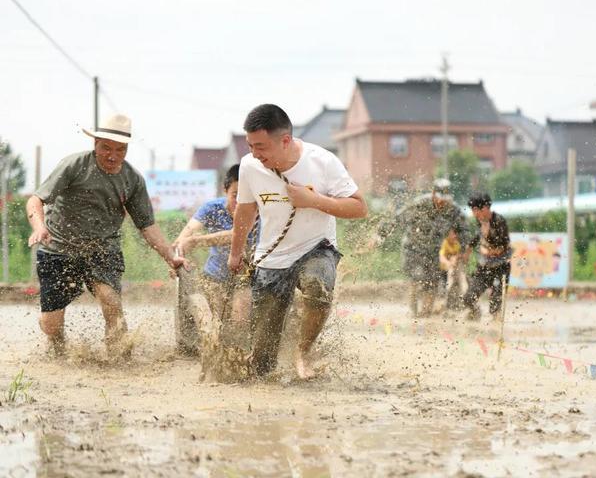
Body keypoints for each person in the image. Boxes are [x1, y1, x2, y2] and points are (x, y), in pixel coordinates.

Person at [26, 114, 187, 358]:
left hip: (102, 249)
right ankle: (56, 346)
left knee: (110, 300)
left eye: (120, 150)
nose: (112, 156)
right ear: (96, 145)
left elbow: (147, 226)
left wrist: (170, 257)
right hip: (58, 248)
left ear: (126, 149)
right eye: (106, 148)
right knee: (51, 324)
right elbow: (36, 199)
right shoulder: (74, 165)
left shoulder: (132, 179)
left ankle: (120, 359)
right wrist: (39, 226)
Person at [227, 104, 367, 379]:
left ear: (286, 141)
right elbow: (245, 211)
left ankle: (304, 352)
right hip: (272, 256)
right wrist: (235, 253)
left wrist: (314, 200)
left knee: (318, 286)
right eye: (250, 146)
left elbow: (359, 207)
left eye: (261, 147)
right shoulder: (249, 166)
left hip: (316, 247)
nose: (255, 154)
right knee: (261, 363)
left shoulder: (322, 162)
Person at [172, 164, 258, 355]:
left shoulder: (258, 212)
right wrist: (177, 257)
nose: (241, 202)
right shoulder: (212, 208)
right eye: (236, 195)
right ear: (225, 190)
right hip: (214, 276)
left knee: (239, 317)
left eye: (247, 196)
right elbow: (185, 236)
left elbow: (238, 233)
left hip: (247, 277)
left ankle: (237, 358)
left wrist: (196, 241)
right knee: (213, 322)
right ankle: (212, 357)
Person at [376, 178, 468, 317]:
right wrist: (380, 235)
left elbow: (464, 231)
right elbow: (398, 218)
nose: (442, 202)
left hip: (434, 250)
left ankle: (425, 314)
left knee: (432, 281)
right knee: (417, 278)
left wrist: (463, 251)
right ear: (433, 194)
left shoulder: (453, 210)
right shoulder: (420, 204)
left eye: (445, 199)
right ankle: (413, 313)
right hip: (413, 248)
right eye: (440, 199)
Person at [462, 192, 511, 321]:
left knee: (495, 304)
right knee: (468, 297)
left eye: (475, 210)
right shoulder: (480, 221)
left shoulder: (499, 222)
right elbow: (476, 237)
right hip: (484, 267)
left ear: (485, 208)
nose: (474, 214)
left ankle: (496, 327)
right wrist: (468, 250)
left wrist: (488, 250)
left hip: (501, 267)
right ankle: (475, 312)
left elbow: (504, 246)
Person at [439, 226, 466, 311]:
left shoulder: (456, 244)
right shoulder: (445, 243)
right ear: (447, 236)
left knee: (457, 287)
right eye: (452, 234)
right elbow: (441, 257)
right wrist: (449, 263)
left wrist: (457, 258)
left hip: (453, 270)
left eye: (455, 234)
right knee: (445, 289)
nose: (454, 236)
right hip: (444, 270)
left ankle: (457, 306)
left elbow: (457, 255)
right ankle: (442, 308)